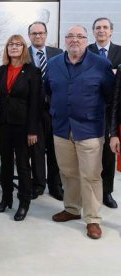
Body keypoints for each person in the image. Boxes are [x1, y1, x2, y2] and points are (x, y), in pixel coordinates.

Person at [45, 25, 115, 239]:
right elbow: (47, 90)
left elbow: (110, 96)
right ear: (65, 40)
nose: (75, 40)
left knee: (91, 176)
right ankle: (72, 209)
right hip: (62, 128)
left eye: (80, 36)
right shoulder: (54, 64)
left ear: (87, 40)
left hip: (90, 130)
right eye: (70, 36)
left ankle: (93, 219)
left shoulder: (101, 64)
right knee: (68, 172)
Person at [0, 34, 42, 221]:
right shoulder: (0, 70)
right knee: (5, 164)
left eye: (18, 44)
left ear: (24, 48)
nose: (14, 47)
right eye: (10, 44)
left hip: (23, 127)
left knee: (23, 165)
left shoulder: (32, 71)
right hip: (4, 125)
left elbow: (35, 104)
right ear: (7, 49)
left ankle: (24, 202)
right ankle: (6, 198)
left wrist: (33, 130)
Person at [27, 21, 64, 201]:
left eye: (41, 33)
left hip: (55, 109)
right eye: (34, 34)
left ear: (46, 34)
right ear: (29, 36)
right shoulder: (23, 55)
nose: (38, 36)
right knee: (37, 150)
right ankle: (39, 184)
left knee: (55, 148)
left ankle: (55, 186)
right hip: (33, 111)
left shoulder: (58, 54)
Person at [87, 17, 121, 209]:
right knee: (89, 152)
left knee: (108, 153)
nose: (101, 30)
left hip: (113, 110)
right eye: (98, 27)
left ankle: (106, 191)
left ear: (111, 32)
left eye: (105, 27)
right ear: (93, 32)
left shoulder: (120, 51)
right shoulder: (87, 51)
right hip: (90, 109)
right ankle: (89, 190)